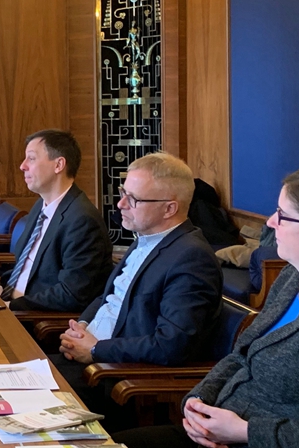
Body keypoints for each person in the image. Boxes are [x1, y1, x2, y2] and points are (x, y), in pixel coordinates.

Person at [113, 164, 299, 448]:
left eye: (283, 215)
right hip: (217, 433)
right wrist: (198, 401)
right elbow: (242, 356)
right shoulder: (293, 277)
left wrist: (245, 431)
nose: (270, 222)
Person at [50, 152, 222, 432]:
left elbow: (171, 345)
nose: (121, 204)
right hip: (91, 358)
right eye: (123, 193)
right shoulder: (147, 238)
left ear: (169, 208)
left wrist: (94, 349)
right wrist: (81, 326)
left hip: (118, 377)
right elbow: (109, 297)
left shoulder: (191, 258)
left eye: (134, 199)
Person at [0, 129, 112, 312]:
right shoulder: (41, 205)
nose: (22, 166)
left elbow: (71, 294)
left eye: (31, 158)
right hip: (12, 303)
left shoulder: (82, 221)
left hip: (34, 318)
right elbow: (25, 266)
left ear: (58, 165)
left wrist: (10, 306)